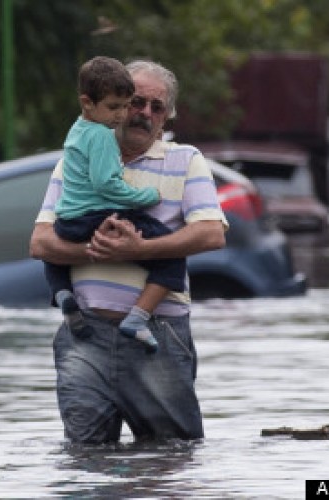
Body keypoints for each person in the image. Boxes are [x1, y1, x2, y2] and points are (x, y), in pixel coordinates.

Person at [29, 60, 228, 443]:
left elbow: (211, 234)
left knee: (171, 455)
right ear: (112, 103)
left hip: (159, 334)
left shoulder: (186, 159)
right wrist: (99, 250)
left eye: (158, 108)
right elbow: (40, 243)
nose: (144, 114)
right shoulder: (75, 160)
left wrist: (140, 248)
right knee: (85, 457)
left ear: (167, 117)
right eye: (136, 102)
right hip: (85, 335)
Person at [46, 56, 185, 354]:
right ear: (87, 102)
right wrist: (146, 197)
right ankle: (138, 319)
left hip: (68, 220)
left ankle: (63, 296)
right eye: (119, 106)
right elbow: (106, 184)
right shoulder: (103, 137)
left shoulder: (77, 129)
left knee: (54, 256)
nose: (122, 115)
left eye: (125, 106)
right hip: (97, 217)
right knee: (174, 255)